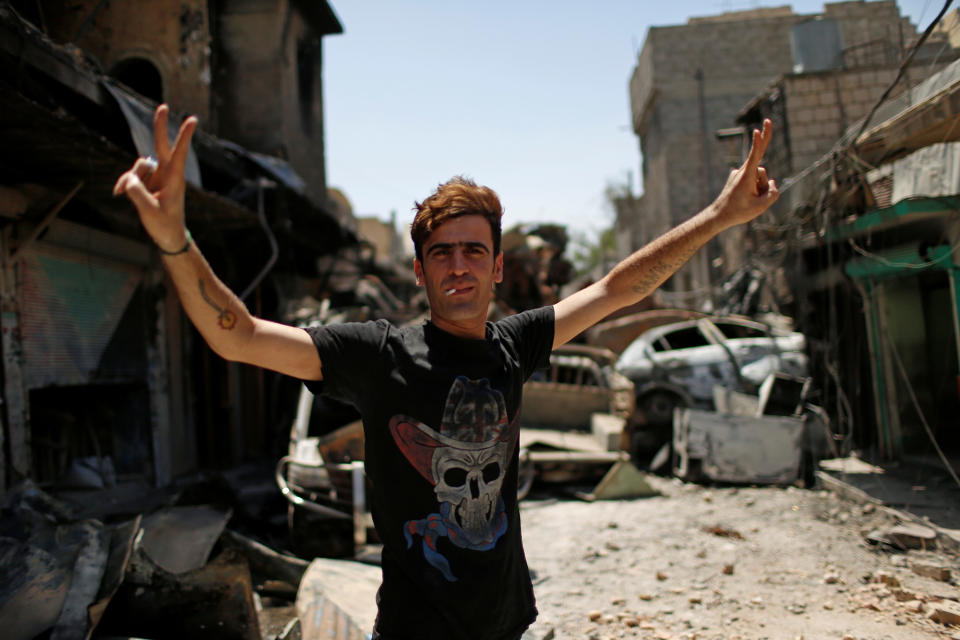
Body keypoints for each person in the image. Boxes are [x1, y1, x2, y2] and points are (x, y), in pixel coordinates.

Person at [114, 104, 778, 640]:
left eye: (473, 251)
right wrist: (176, 239)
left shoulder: (516, 345)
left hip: (506, 621)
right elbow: (243, 337)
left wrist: (719, 217)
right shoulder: (381, 355)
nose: (458, 265)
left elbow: (618, 288)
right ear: (421, 268)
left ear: (495, 267)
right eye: (442, 253)